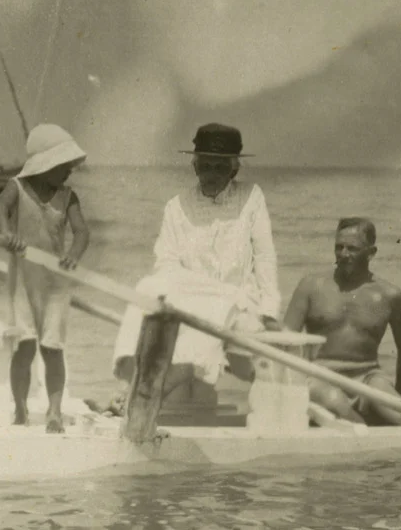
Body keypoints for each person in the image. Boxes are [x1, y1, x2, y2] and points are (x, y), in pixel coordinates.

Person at [111, 123, 282, 405]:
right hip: (191, 301)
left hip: (241, 306)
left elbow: (265, 257)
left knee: (197, 352)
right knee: (147, 286)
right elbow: (166, 265)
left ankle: (141, 396)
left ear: (234, 169)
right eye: (205, 167)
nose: (211, 175)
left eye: (219, 168)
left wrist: (269, 311)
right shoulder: (176, 206)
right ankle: (136, 381)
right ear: (194, 167)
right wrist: (205, 291)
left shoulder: (252, 197)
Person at [0, 124, 90, 433]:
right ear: (45, 164)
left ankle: (54, 411)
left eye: (71, 167)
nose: (69, 173)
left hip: (56, 283)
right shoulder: (17, 188)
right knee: (25, 345)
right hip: (22, 278)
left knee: (53, 348)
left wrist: (74, 253)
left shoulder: (67, 196)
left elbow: (83, 232)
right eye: (63, 167)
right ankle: (20, 407)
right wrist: (7, 235)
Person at [282, 217, 401, 426]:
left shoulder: (390, 296)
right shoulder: (310, 286)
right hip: (319, 376)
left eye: (352, 249)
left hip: (368, 377)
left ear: (371, 253)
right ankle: (366, 438)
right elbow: (285, 341)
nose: (343, 254)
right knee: (336, 402)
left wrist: (400, 397)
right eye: (339, 247)